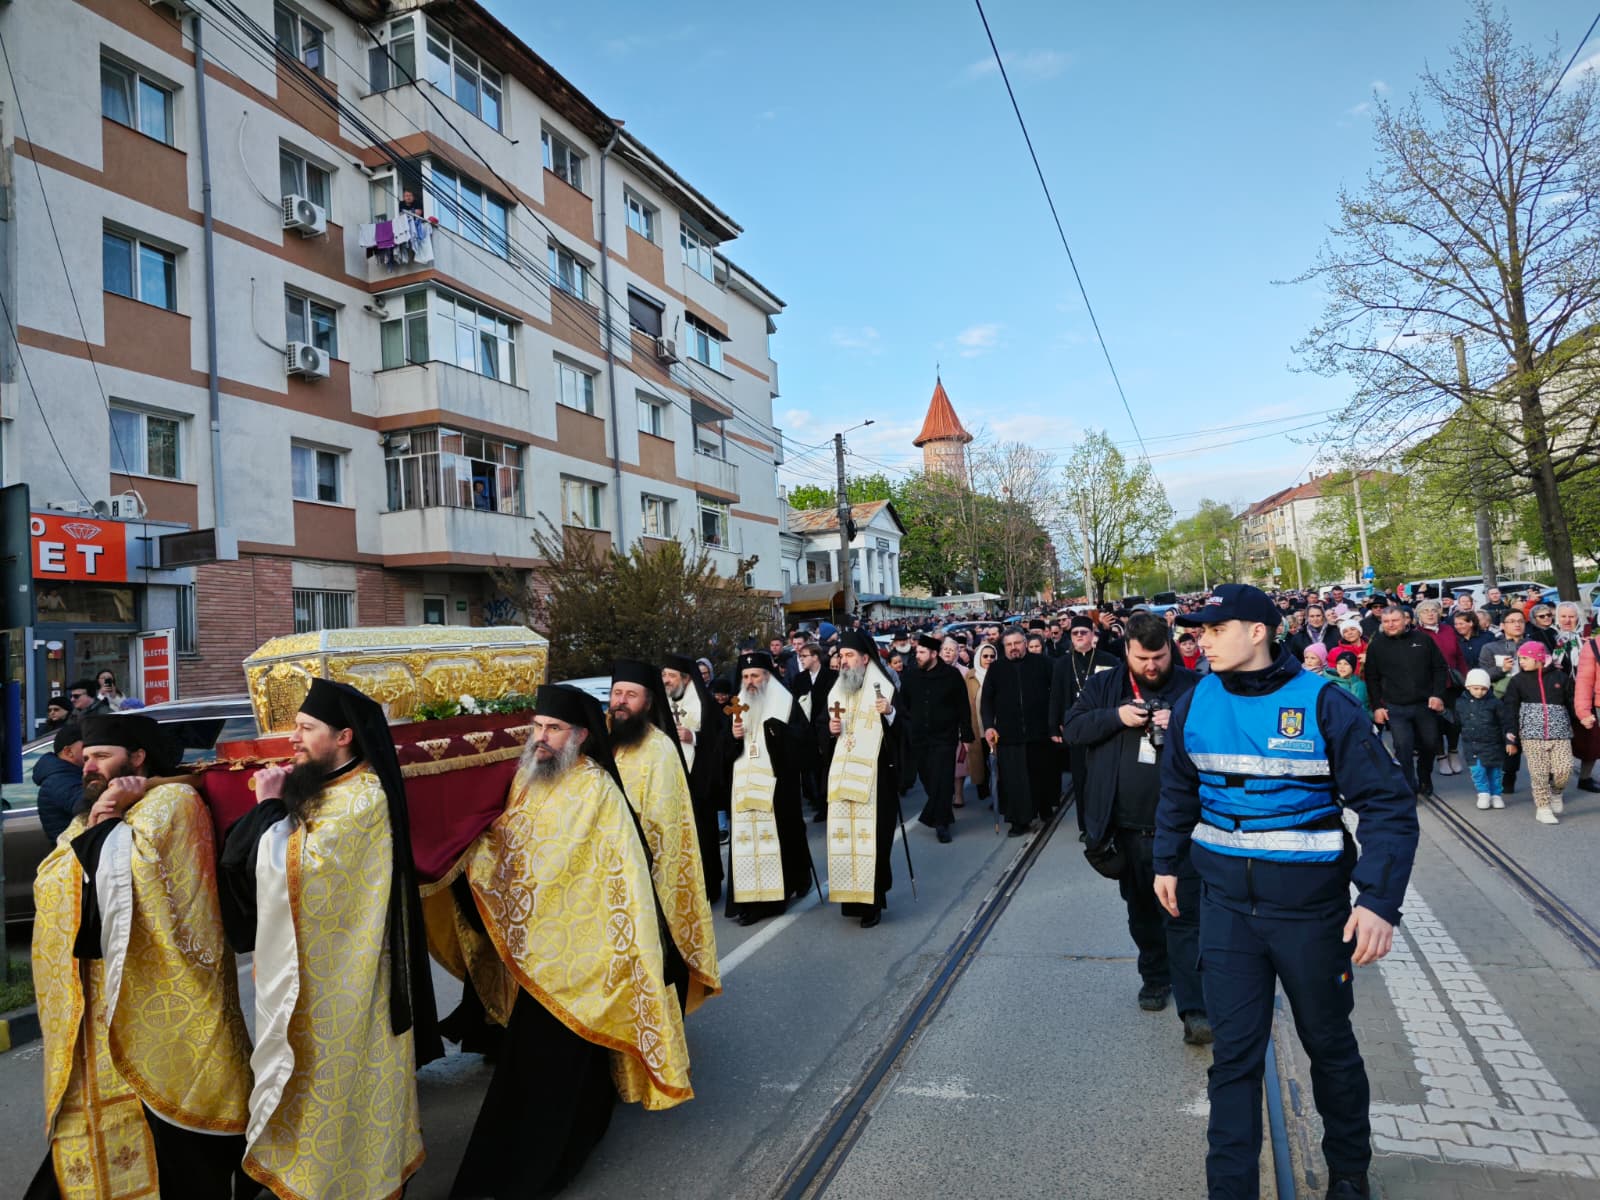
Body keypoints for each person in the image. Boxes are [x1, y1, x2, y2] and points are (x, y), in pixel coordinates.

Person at [1155, 584, 1419, 1200]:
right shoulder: (1196, 702)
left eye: (1215, 630)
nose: (1201, 640)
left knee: (1329, 1047)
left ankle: (1349, 1173)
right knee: (1235, 1061)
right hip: (1225, 911)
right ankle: (1230, 1188)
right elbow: (1177, 791)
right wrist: (1167, 861)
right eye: (1197, 630)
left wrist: (1378, 901)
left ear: (1258, 632)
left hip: (1310, 914)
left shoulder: (1323, 702)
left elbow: (1387, 805)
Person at [425, 684, 693, 1197]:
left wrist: (627, 952)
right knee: (557, 1065)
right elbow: (508, 840)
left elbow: (624, 878)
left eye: (553, 729)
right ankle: (573, 1135)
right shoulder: (528, 778)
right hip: (538, 946)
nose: (541, 738)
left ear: (580, 735)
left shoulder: (596, 790)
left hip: (585, 955)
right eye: (537, 727)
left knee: (551, 1064)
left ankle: (539, 1167)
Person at [219, 679, 440, 1200]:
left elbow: (303, 871)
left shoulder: (364, 798)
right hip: (317, 974)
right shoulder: (323, 782)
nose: (292, 738)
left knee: (346, 1088)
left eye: (305, 728)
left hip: (350, 982)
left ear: (344, 736)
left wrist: (270, 806)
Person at [27, 713, 253, 1200]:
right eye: (86, 758)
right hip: (102, 1007)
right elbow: (54, 879)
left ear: (138, 758)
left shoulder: (175, 800)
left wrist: (108, 817)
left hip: (164, 1007)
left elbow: (132, 878)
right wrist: (104, 815)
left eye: (102, 757)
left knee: (178, 1158)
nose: (89, 767)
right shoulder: (91, 809)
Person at [1062, 613, 1208, 1044]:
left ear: (1170, 649)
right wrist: (1118, 717)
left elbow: (1217, 740)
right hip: (1125, 826)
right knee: (1142, 913)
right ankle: (1154, 977)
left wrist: (1177, 725)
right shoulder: (1104, 687)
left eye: (1159, 657)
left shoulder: (1193, 687)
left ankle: (1195, 1007)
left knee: (1184, 916)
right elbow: (1073, 729)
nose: (1151, 666)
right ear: (1126, 650)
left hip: (1182, 828)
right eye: (1142, 658)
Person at [609, 660, 721, 1015]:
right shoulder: (604, 741)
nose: (621, 701)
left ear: (647, 702)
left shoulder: (659, 750)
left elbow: (666, 825)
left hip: (646, 871)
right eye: (616, 693)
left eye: (631, 694)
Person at [725, 650, 814, 925]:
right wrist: (733, 737)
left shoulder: (784, 702)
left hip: (778, 784)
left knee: (779, 839)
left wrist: (779, 733)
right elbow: (723, 751)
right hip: (743, 784)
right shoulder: (738, 703)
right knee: (745, 844)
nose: (750, 681)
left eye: (755, 675)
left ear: (767, 676)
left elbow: (805, 743)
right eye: (745, 676)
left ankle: (774, 898)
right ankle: (748, 899)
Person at [822, 631, 903, 926]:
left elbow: (906, 728)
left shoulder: (885, 689)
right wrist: (829, 730)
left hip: (875, 781)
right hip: (843, 780)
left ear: (865, 659)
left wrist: (891, 712)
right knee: (846, 840)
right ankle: (851, 902)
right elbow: (823, 732)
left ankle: (873, 904)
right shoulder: (835, 691)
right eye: (841, 656)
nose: (843, 661)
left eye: (849, 656)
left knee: (873, 843)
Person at [1363, 605, 1449, 799]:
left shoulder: (1423, 640)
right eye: (1386, 622)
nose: (1390, 625)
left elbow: (1439, 668)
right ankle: (1408, 787)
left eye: (1395, 620)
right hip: (1396, 706)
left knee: (1430, 743)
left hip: (1424, 704)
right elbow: (1372, 678)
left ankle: (1424, 775)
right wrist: (1377, 706)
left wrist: (1438, 695)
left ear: (1405, 620)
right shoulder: (1377, 645)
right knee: (1403, 748)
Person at [662, 653, 728, 900]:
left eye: (671, 675)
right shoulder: (663, 704)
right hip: (674, 777)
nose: (666, 680)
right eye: (664, 675)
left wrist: (695, 737)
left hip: (700, 778)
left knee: (703, 834)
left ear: (685, 678)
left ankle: (709, 886)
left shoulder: (705, 703)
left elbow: (721, 738)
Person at [982, 628, 1059, 836]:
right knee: (1014, 780)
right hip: (1009, 734)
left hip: (1039, 731)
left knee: (1040, 774)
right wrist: (989, 725)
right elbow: (987, 701)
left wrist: (1056, 721)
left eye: (1017, 643)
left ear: (1025, 643)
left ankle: (1044, 808)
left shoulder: (1043, 663)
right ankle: (1019, 821)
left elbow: (1057, 693)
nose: (1013, 648)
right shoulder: (996, 669)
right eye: (1009, 644)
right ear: (1004, 647)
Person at [1049, 616, 1121, 832]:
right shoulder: (1062, 663)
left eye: (1083, 632)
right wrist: (1054, 726)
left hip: (1103, 725)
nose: (1079, 636)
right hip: (1077, 728)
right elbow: (1056, 696)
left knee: (1104, 777)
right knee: (1080, 779)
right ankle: (1085, 826)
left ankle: (1107, 821)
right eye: (1075, 633)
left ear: (1092, 635)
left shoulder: (1109, 660)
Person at [900, 634, 973, 844]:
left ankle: (941, 824)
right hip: (920, 738)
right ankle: (943, 813)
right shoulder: (911, 676)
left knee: (942, 779)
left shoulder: (951, 675)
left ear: (934, 654)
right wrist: (909, 725)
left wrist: (966, 735)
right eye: (917, 653)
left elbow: (962, 708)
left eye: (922, 653)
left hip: (945, 737)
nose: (918, 656)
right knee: (929, 780)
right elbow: (903, 705)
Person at [1503, 640, 1576, 825]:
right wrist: (1510, 735)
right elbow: (1510, 708)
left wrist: (1580, 720)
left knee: (1564, 769)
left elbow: (1571, 703)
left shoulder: (1560, 678)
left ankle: (1556, 792)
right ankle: (1542, 807)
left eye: (1525, 658)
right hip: (1531, 734)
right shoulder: (1517, 681)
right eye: (1520, 659)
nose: (1521, 662)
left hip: (1559, 732)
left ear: (1540, 659)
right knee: (1539, 772)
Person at [791, 640, 837, 823]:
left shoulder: (831, 676)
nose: (801, 660)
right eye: (800, 656)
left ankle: (828, 804)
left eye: (804, 656)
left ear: (816, 657)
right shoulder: (799, 679)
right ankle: (818, 801)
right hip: (807, 730)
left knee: (827, 767)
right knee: (812, 768)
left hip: (825, 729)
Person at [1456, 668, 1513, 811]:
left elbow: (1505, 723)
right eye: (1475, 688)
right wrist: (1443, 713)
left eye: (1483, 689)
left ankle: (1496, 794)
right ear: (1468, 686)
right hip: (1472, 744)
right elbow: (1456, 721)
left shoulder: (1495, 703)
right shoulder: (1461, 703)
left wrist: (1509, 740)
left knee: (1495, 771)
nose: (1479, 692)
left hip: (1493, 744)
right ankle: (1483, 793)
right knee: (1477, 770)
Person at [32, 722, 86, 845]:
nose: (93, 751)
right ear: (68, 752)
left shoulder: (68, 773)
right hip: (74, 855)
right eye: (87, 746)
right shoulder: (60, 780)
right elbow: (85, 804)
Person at [964, 642, 996, 809]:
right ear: (978, 658)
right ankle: (985, 792)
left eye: (992, 656)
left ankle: (998, 796)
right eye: (985, 656)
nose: (989, 659)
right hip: (977, 727)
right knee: (981, 763)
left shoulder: (1000, 673)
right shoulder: (970, 676)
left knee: (997, 765)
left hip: (996, 729)